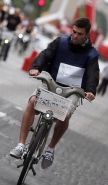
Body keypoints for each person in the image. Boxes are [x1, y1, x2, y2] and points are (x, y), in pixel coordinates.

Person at [9, 17, 99, 169]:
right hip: (52, 82)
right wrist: (37, 67)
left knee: (66, 115)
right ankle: (21, 145)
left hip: (73, 90)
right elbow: (45, 54)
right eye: (74, 32)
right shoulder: (60, 42)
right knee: (32, 102)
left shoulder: (91, 54)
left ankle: (50, 148)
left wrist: (90, 90)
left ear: (86, 36)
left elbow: (93, 74)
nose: (75, 36)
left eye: (79, 34)